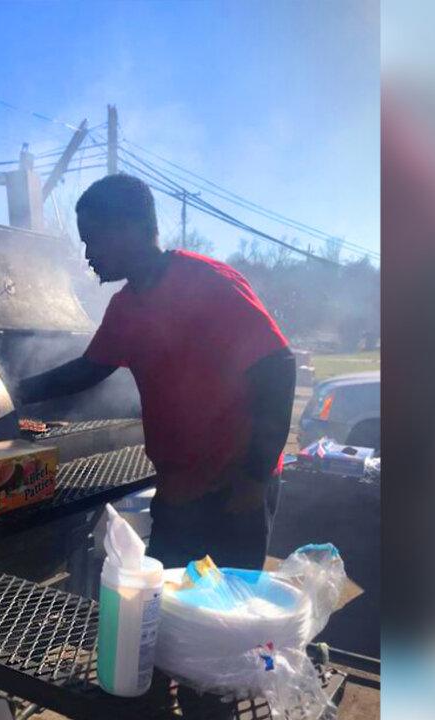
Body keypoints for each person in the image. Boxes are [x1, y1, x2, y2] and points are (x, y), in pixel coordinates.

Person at [16, 174, 295, 572]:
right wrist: (14, 389)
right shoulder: (125, 308)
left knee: (224, 617)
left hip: (234, 488)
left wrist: (254, 478)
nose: (87, 254)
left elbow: (278, 369)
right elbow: (88, 371)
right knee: (163, 610)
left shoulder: (205, 282)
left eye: (91, 239)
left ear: (128, 230)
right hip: (179, 490)